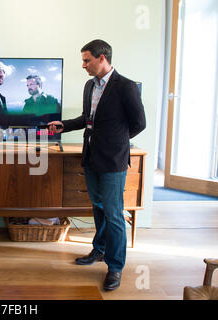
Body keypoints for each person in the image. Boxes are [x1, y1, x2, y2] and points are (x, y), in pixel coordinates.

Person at [48, 39, 146, 291]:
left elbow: (138, 123)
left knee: (114, 213)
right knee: (99, 207)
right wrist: (64, 125)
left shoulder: (126, 87)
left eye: (86, 60)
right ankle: (99, 250)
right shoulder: (89, 85)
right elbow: (86, 118)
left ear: (102, 58)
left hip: (113, 160)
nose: (83, 65)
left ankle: (115, 267)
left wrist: (116, 141)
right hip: (90, 156)